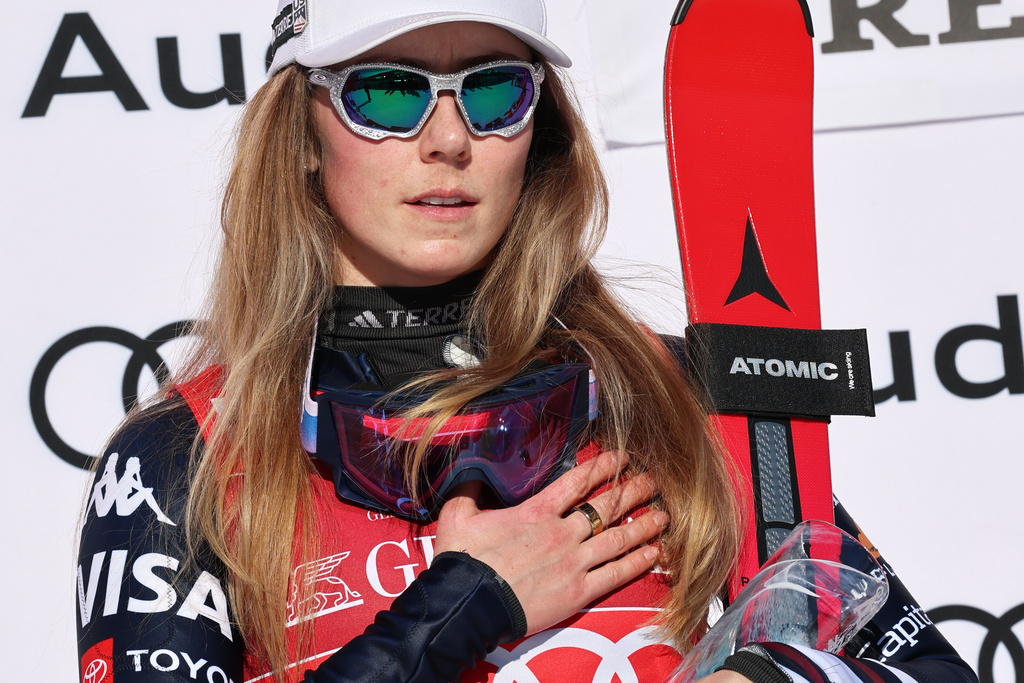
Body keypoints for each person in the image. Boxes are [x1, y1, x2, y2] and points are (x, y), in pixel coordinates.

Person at [75, 2, 978, 683]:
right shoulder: (181, 458)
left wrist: (777, 675)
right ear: (304, 134)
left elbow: (933, 671)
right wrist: (463, 605)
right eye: (388, 91)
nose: (449, 139)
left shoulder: (671, 393)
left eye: (494, 90)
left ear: (536, 129)